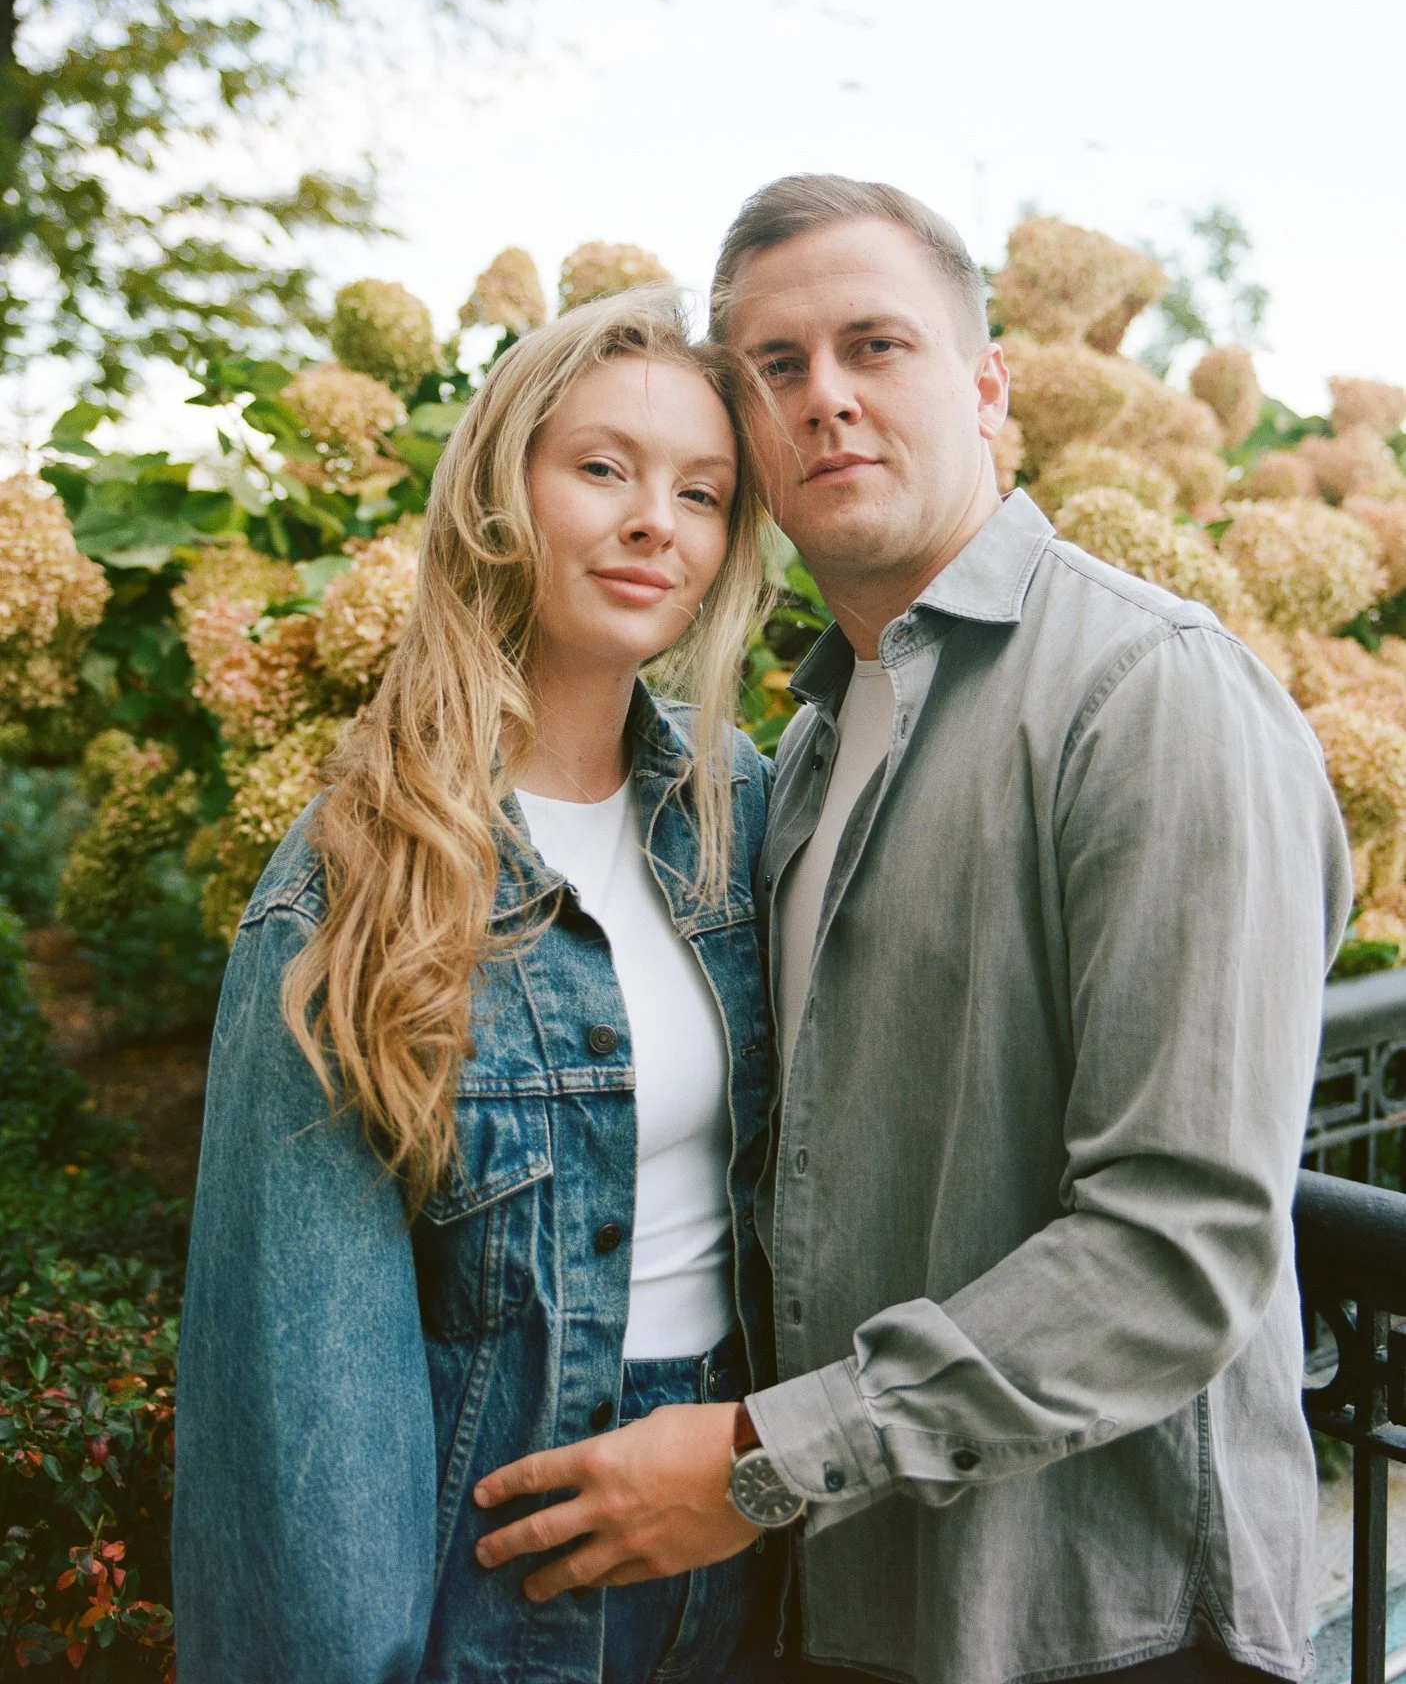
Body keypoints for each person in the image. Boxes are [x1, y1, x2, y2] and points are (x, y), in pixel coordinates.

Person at [472, 178, 1354, 1684]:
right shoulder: (805, 750)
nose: (826, 401)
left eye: (874, 346)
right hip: (863, 1605)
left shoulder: (1149, 695)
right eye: (775, 366)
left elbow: (1178, 1247)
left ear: (986, 386)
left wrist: (760, 1455)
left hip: (1110, 1619)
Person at [173, 289, 784, 1684]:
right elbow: (303, 1413)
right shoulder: (354, 879)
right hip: (500, 1576)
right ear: (500, 493)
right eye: (603, 469)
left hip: (747, 1542)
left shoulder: (740, 814)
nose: (656, 524)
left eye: (700, 492)